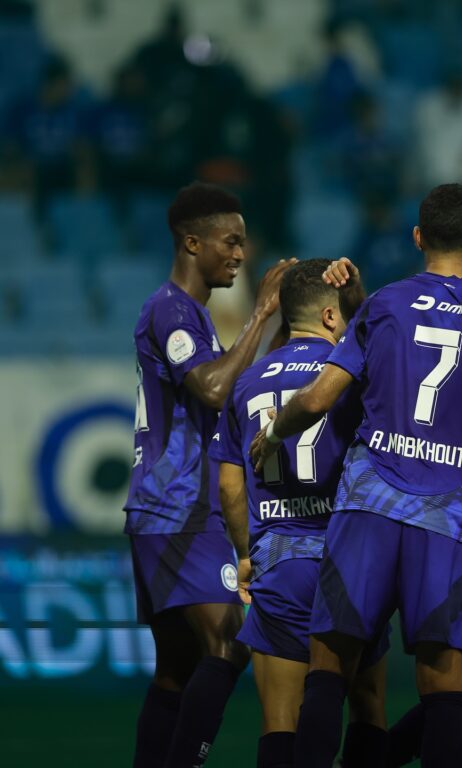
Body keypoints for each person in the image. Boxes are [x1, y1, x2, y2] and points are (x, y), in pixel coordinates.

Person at [251, 184, 462, 768]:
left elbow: (321, 396)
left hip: (368, 510)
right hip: (447, 519)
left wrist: (274, 431)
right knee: (444, 681)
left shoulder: (384, 304)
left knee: (330, 669)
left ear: (418, 237)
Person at [123, 181, 294, 768]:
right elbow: (214, 386)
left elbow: (230, 382)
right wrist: (262, 312)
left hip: (166, 510)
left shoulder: (188, 315)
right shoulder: (170, 308)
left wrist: (273, 330)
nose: (241, 254)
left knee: (178, 668)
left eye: (243, 243)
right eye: (231, 241)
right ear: (192, 243)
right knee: (228, 640)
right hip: (180, 509)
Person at [209, 259, 389, 768]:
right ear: (333, 317)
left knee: (280, 721)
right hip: (347, 559)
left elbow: (229, 485)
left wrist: (246, 554)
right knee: (367, 708)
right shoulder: (351, 377)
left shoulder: (246, 383)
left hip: (280, 562)